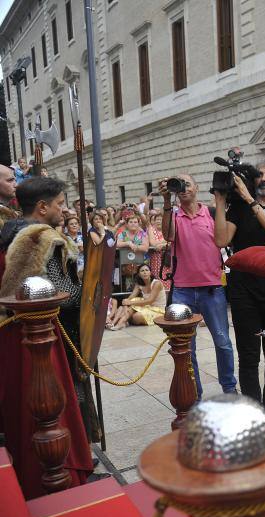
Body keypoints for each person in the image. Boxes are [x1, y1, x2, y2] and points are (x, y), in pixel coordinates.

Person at [0, 177, 98, 497]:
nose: (63, 209)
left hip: (12, 335)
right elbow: (64, 295)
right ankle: (61, 474)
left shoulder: (7, 233)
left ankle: (29, 478)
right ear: (42, 207)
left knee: (22, 407)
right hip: (44, 336)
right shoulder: (43, 238)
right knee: (52, 408)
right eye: (59, 204)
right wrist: (90, 295)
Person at [214, 161, 265, 419]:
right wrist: (220, 200)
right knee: (248, 356)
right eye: (260, 174)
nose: (263, 178)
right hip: (242, 291)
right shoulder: (239, 210)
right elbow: (221, 240)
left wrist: (249, 199)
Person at [159, 174, 237, 397]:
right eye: (179, 185)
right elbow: (167, 235)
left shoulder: (211, 214)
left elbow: (225, 239)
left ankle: (229, 388)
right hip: (182, 291)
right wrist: (166, 202)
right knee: (187, 348)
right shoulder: (173, 215)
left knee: (222, 342)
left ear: (197, 187)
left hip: (212, 288)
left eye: (187, 184)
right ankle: (194, 393)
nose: (183, 188)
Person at [107, 264, 166, 329]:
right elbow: (130, 298)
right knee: (127, 305)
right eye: (142, 271)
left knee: (136, 316)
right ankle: (119, 323)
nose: (145, 272)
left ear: (150, 273)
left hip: (158, 310)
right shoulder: (139, 284)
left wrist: (130, 303)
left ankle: (122, 322)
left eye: (147, 270)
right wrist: (126, 305)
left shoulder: (156, 283)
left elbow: (150, 301)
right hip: (147, 308)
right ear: (139, 274)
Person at [146, 211, 170, 289]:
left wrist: (161, 245)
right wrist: (165, 242)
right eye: (157, 219)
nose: (159, 221)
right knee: (156, 282)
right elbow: (153, 243)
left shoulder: (168, 230)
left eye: (161, 219)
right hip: (155, 260)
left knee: (167, 281)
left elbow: (172, 241)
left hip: (167, 259)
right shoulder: (151, 229)